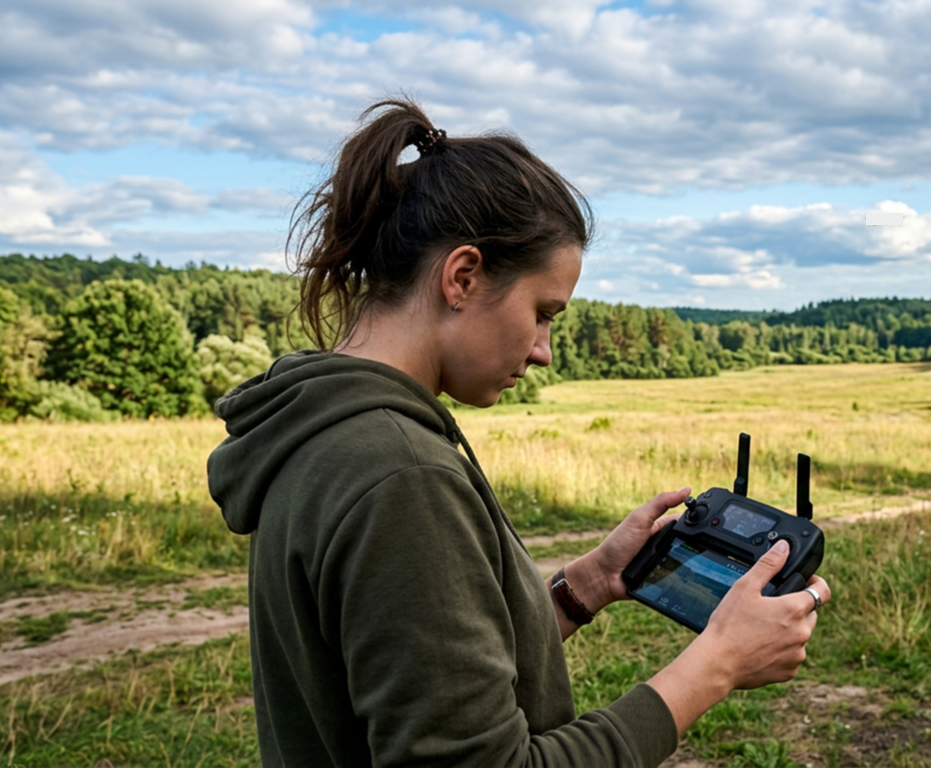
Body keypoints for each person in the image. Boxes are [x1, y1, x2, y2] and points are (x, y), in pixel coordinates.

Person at [207, 98, 832, 767]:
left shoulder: (323, 429)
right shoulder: (401, 474)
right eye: (542, 313)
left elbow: (427, 678)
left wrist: (586, 585)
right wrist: (717, 665)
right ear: (463, 276)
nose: (544, 351)